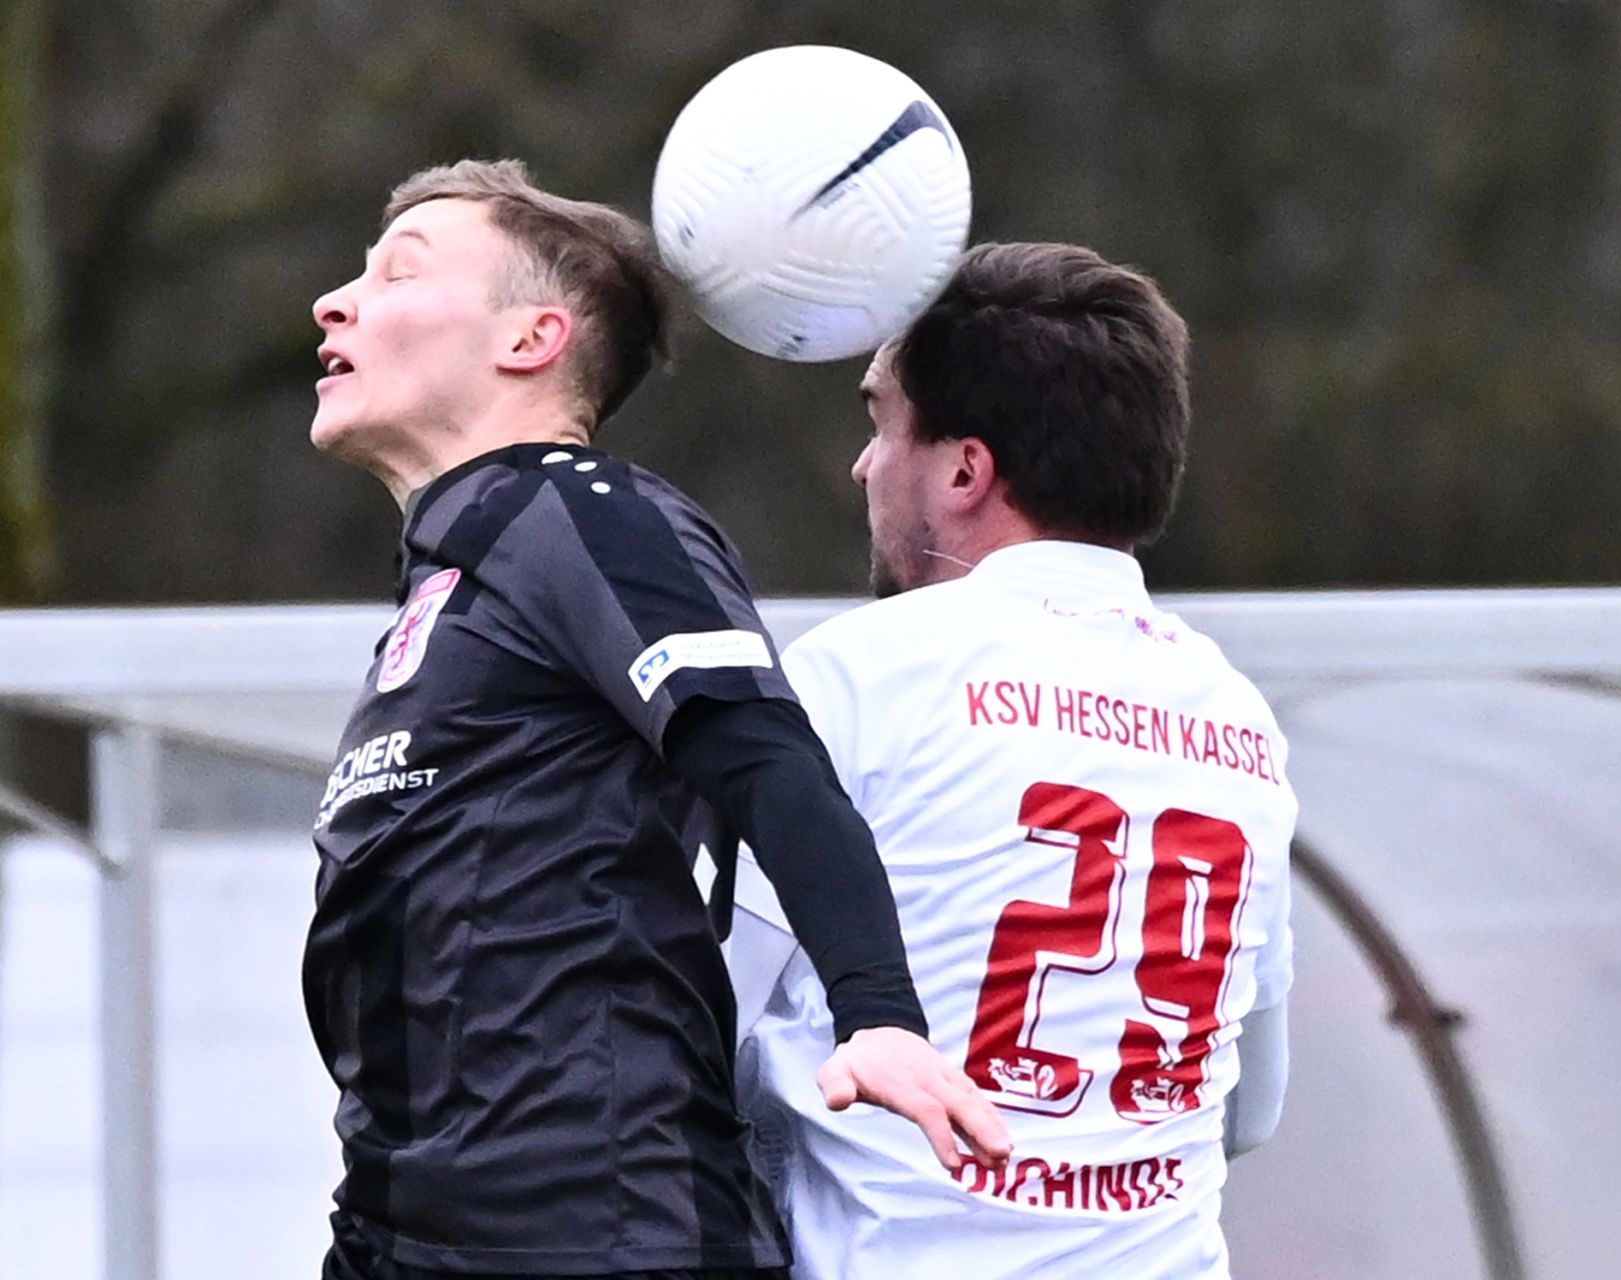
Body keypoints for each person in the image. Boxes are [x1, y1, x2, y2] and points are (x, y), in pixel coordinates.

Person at [301, 158, 1009, 1280]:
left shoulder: (586, 510)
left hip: (602, 1232)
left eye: (399, 272)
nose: (333, 302)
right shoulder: (457, 577)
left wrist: (877, 1010)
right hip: (408, 1231)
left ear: (532, 338)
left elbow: (767, 758)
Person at [728, 243, 1298, 1280]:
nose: (865, 465)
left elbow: (693, 1017)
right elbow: (1249, 1108)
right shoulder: (1237, 716)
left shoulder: (860, 673)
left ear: (964, 469)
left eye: (881, 423)